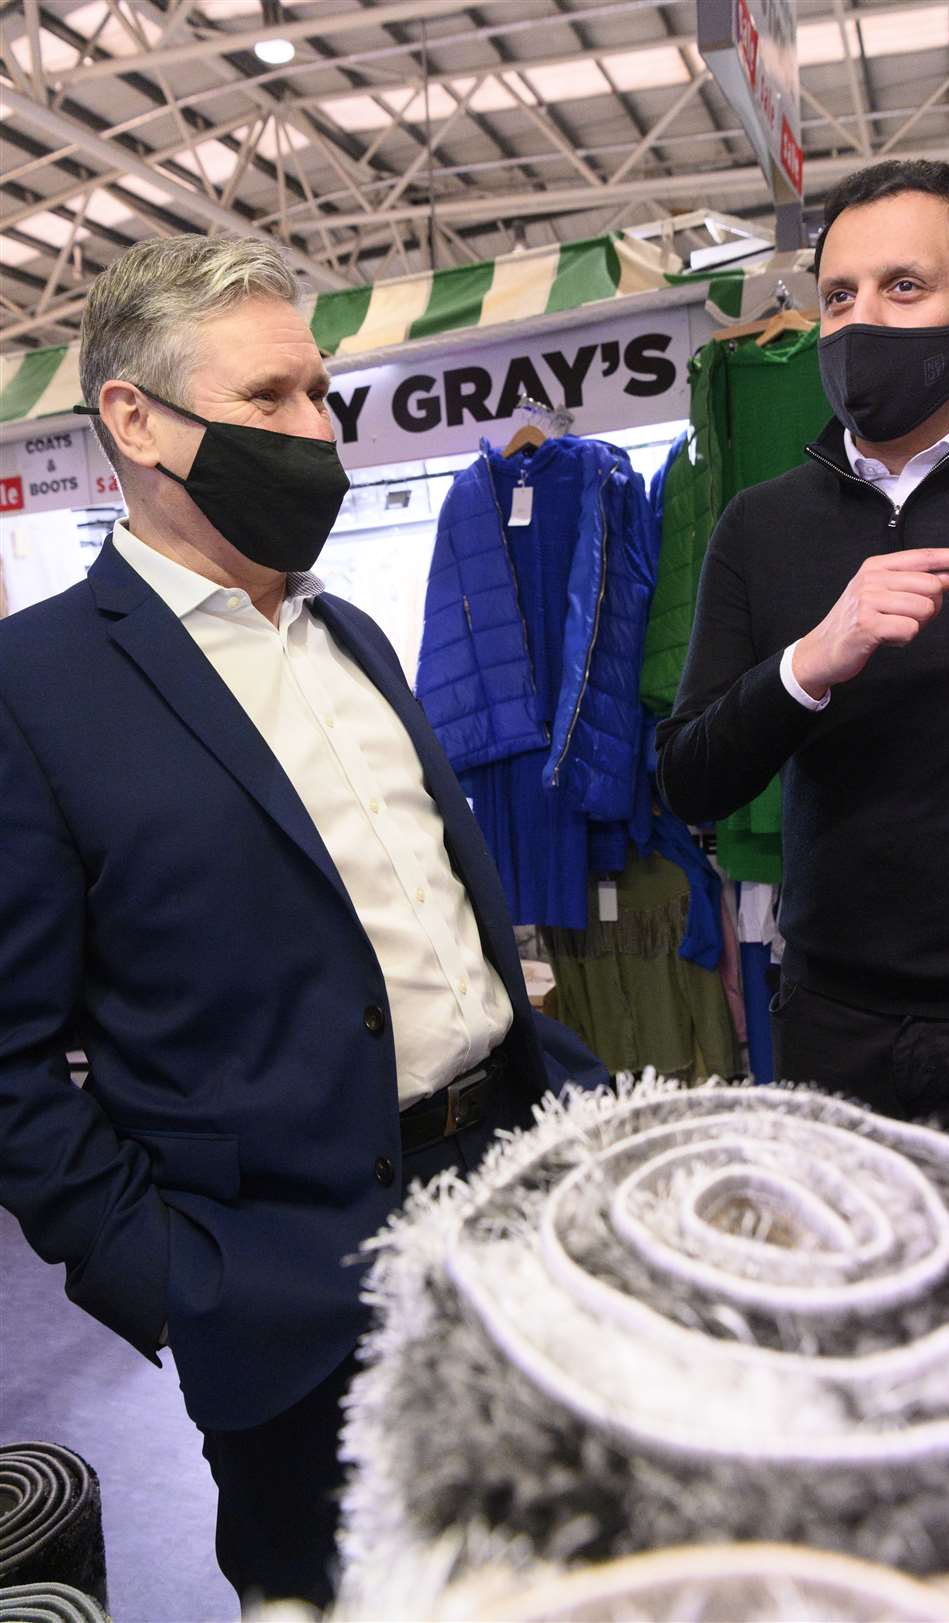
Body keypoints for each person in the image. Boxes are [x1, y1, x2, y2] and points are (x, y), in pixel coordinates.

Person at [0, 235, 605, 1611]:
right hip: (286, 1298)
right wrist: (169, 1280)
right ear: (134, 418)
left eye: (322, 396)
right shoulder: (32, 688)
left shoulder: (354, 640)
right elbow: (10, 1061)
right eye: (270, 398)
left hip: (512, 1215)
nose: (316, 432)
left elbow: (429, 923)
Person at [656, 159, 949, 1150]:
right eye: (839, 294)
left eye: (905, 287)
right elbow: (690, 779)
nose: (861, 322)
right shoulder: (759, 528)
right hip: (829, 1034)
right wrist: (811, 660)